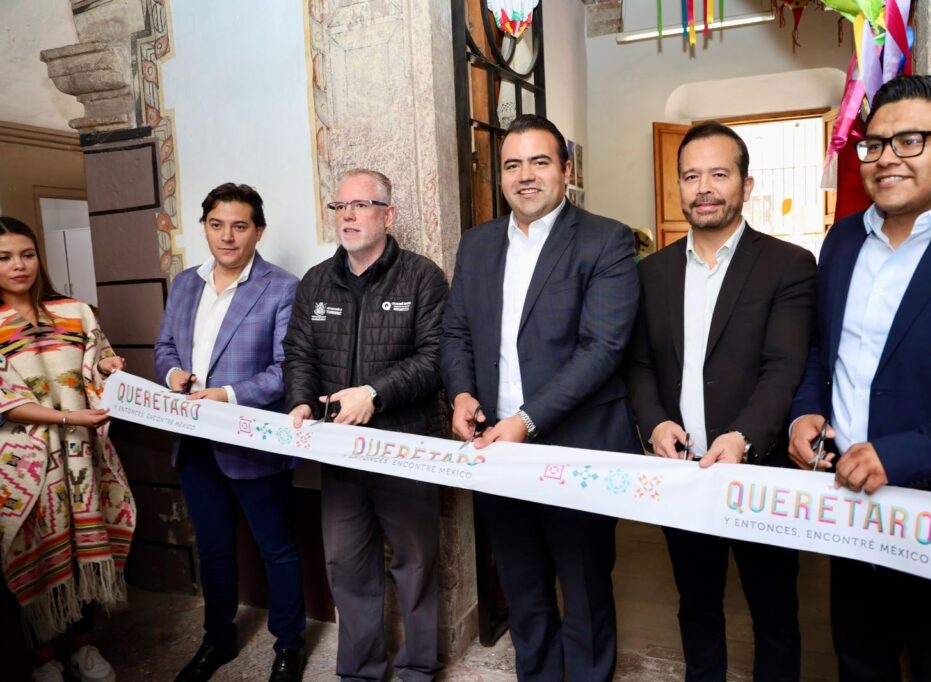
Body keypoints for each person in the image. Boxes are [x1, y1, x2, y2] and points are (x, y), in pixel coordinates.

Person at [787, 75, 931, 681]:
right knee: (858, 661)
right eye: (873, 144)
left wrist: (900, 454)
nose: (885, 157)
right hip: (851, 513)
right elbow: (822, 349)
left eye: (911, 140)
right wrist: (806, 410)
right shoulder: (843, 239)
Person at [440, 114, 639, 681]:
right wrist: (461, 393)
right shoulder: (477, 244)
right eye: (512, 164)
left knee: (584, 592)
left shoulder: (606, 239)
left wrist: (527, 420)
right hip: (497, 450)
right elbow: (456, 332)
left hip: (577, 447)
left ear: (566, 170)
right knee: (523, 591)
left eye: (540, 161)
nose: (525, 175)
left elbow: (603, 349)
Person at [627, 122, 816, 682]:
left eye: (718, 174)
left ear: (746, 185)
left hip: (760, 471)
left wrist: (743, 437)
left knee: (774, 609)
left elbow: (784, 366)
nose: (704, 188)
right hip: (683, 471)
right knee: (697, 602)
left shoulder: (788, 265)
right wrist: (654, 423)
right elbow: (639, 364)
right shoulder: (652, 272)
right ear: (678, 188)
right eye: (691, 176)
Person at [283, 169, 448, 681]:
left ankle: (419, 669)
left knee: (415, 565)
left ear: (388, 214)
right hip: (339, 454)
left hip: (407, 448)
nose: (348, 215)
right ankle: (359, 671)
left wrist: (373, 394)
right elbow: (299, 354)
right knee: (347, 566)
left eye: (361, 205)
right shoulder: (316, 281)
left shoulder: (422, 277)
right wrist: (300, 401)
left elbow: (435, 358)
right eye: (340, 207)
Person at [154, 183, 305, 682]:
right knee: (214, 549)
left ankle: (289, 646)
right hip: (194, 443)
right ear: (204, 227)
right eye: (217, 225)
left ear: (258, 231)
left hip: (251, 443)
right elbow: (164, 347)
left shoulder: (282, 287)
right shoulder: (184, 284)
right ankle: (216, 639)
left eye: (239, 226)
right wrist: (172, 374)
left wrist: (228, 395)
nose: (227, 236)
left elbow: (287, 369)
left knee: (277, 549)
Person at [0, 215, 133, 682]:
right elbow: (4, 400)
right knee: (35, 552)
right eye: (4, 257)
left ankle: (84, 646)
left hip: (82, 456)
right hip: (22, 466)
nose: (19, 265)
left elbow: (98, 363)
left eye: (27, 254)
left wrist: (109, 367)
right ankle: (44, 658)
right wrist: (66, 418)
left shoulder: (75, 311)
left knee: (84, 548)